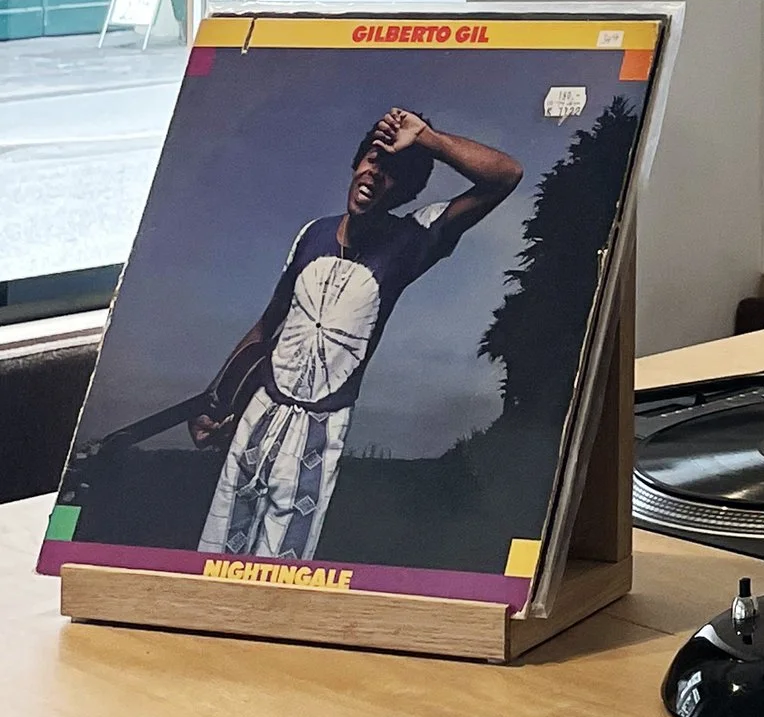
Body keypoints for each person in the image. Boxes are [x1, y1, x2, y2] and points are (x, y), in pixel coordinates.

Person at [190, 106, 522, 562]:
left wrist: (426, 140)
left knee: (281, 570)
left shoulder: (412, 239)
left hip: (319, 431)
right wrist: (217, 400)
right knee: (215, 555)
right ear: (356, 161)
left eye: (394, 172)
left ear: (405, 191)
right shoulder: (313, 233)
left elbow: (506, 176)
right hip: (258, 414)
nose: (375, 174)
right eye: (373, 158)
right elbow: (268, 327)